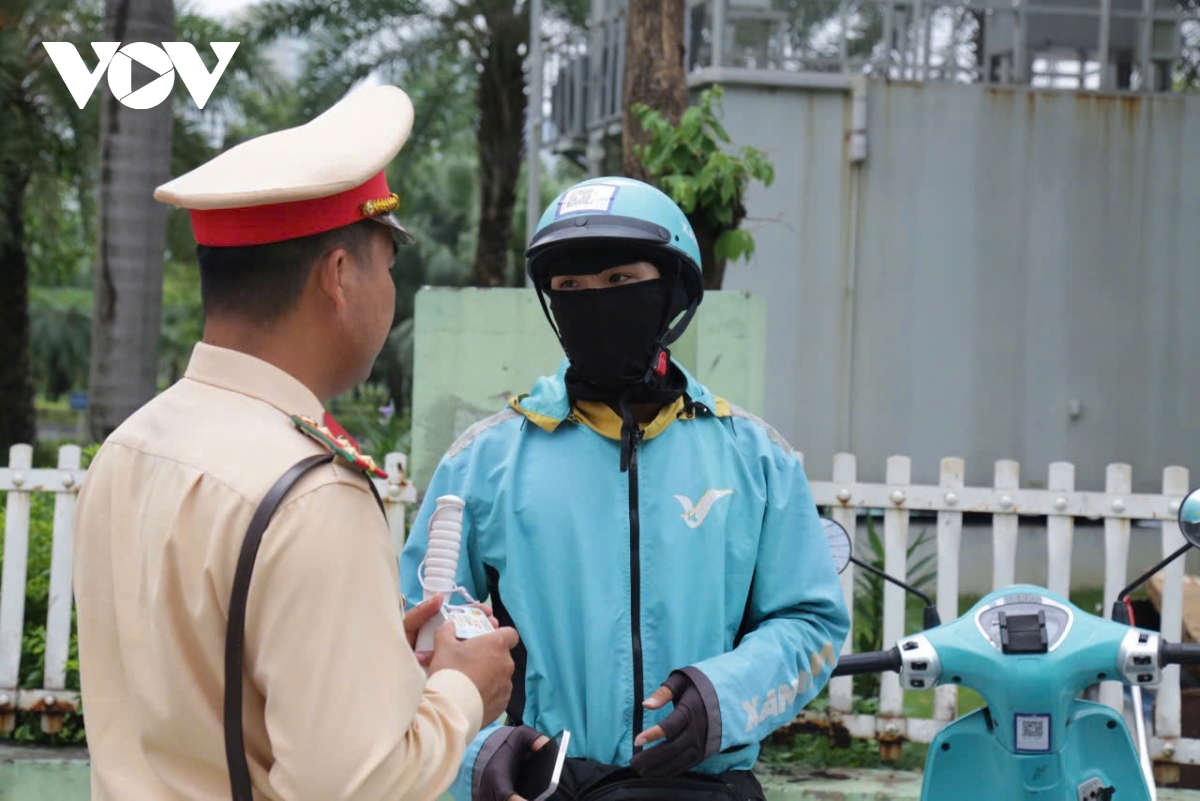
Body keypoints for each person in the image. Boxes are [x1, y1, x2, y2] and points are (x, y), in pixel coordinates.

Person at [73, 85, 520, 801]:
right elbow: (353, 786)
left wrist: (374, 668)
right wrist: (464, 691)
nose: (391, 288)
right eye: (388, 264)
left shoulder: (130, 447)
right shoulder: (311, 495)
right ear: (339, 276)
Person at [399, 176, 851, 800]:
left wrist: (721, 699)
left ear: (673, 292)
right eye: (570, 287)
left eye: (619, 280)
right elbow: (418, 638)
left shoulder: (756, 458)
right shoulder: (484, 463)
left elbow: (809, 621)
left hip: (707, 787)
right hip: (550, 787)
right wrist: (479, 756)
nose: (595, 301)